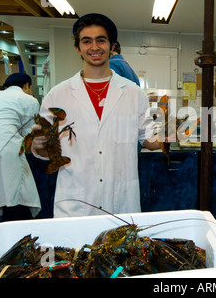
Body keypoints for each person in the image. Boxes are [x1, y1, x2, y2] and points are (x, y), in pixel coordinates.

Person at [31, 13, 160, 218]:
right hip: (75, 203)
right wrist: (38, 145)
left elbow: (150, 140)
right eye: (86, 41)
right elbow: (45, 151)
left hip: (121, 202)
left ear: (111, 46)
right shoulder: (58, 95)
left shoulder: (134, 93)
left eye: (101, 40)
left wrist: (175, 131)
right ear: (78, 48)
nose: (94, 47)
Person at [0, 73, 41, 231]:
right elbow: (30, 133)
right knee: (18, 195)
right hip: (7, 148)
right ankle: (17, 233)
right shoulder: (29, 100)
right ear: (27, 85)